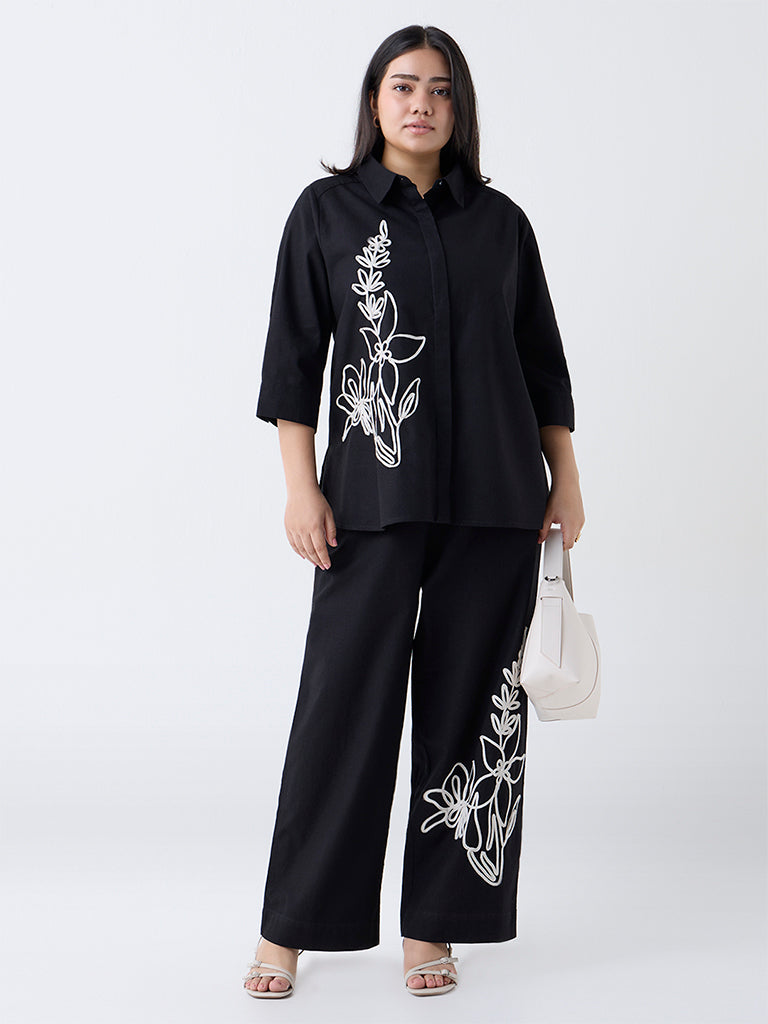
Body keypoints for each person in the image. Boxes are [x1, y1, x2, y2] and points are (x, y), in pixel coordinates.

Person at [242, 23, 585, 999]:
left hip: (497, 502)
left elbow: (541, 361)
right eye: (403, 86)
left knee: (475, 713)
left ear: (458, 108)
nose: (421, 104)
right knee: (341, 708)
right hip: (370, 501)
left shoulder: (502, 223)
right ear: (374, 101)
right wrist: (300, 484)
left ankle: (434, 927)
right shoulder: (327, 212)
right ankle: (290, 929)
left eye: (439, 89)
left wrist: (565, 476)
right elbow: (293, 361)